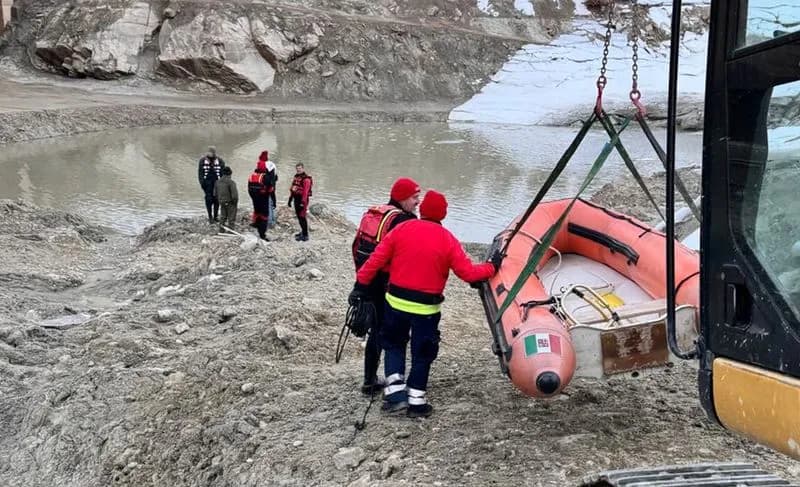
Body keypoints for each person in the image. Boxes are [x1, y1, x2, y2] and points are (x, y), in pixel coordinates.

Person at [350, 190, 502, 418]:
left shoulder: (402, 229)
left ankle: (395, 396)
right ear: (443, 214)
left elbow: (375, 261)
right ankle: (416, 402)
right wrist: (492, 266)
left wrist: (359, 287)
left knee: (393, 345)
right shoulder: (447, 239)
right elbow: (468, 273)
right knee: (422, 353)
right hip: (426, 309)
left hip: (395, 302)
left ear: (422, 210)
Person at [351, 177, 421, 396]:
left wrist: (360, 283)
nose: (418, 202)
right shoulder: (404, 220)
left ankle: (370, 379)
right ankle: (392, 383)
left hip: (368, 280)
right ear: (402, 198)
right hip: (386, 284)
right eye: (414, 197)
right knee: (391, 333)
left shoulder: (378, 213)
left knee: (375, 330)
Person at [248, 154, 276, 240]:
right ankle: (262, 234)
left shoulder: (251, 176)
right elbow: (271, 190)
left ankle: (255, 224)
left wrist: (253, 198)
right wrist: (274, 200)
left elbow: (249, 189)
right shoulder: (265, 177)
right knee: (264, 216)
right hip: (263, 199)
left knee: (256, 212)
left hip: (255, 199)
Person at [197, 146, 226, 224]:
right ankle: (210, 217)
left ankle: (215, 216)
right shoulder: (202, 160)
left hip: (217, 183)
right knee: (208, 200)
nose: (209, 153)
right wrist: (202, 183)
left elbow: (223, 173)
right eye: (208, 152)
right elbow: (200, 173)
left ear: (214, 153)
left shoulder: (220, 161)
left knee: (217, 200)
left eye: (211, 152)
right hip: (207, 183)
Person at [288, 163, 313, 241]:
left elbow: (305, 192)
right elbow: (293, 188)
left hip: (302, 200)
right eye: (297, 169)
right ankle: (303, 231)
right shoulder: (296, 177)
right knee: (299, 217)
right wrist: (290, 199)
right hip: (296, 199)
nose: (298, 170)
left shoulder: (306, 179)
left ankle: (305, 235)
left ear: (303, 168)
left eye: (300, 168)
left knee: (302, 217)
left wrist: (303, 203)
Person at [213, 166, 238, 232]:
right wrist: (235, 203)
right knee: (231, 218)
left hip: (221, 202)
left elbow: (215, 194)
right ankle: (231, 231)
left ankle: (221, 229)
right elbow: (235, 195)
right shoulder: (231, 182)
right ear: (230, 174)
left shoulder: (217, 182)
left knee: (223, 216)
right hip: (230, 202)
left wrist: (220, 200)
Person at [265, 153, 278, 228]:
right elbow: (276, 177)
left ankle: (269, 222)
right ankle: (272, 221)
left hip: (267, 188)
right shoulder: (273, 165)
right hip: (272, 187)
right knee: (272, 204)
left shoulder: (264, 166)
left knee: (268, 204)